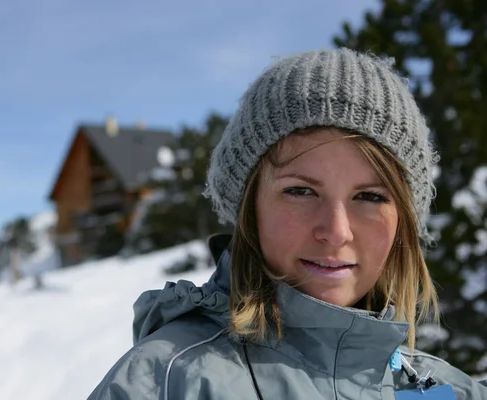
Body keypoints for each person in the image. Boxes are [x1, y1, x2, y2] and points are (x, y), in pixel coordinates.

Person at [87, 48, 487, 399]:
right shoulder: (164, 383)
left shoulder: (445, 390)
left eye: (369, 196)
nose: (336, 231)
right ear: (249, 207)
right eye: (300, 191)